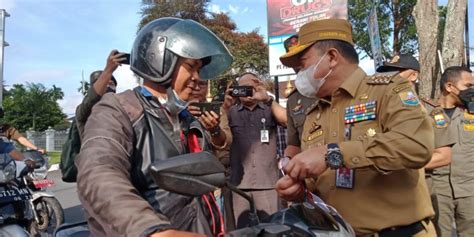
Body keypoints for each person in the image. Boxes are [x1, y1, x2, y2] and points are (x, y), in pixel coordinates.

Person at [276, 19, 436, 236]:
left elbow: (416, 145)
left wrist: (332, 153)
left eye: (302, 64)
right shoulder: (313, 114)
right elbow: (319, 181)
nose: (299, 75)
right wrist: (300, 190)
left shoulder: (388, 90)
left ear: (331, 57)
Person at [75, 17, 233, 237]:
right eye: (190, 67)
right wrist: (153, 231)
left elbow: (214, 166)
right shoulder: (118, 109)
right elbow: (98, 172)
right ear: (160, 60)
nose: (197, 78)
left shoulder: (187, 118)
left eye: (199, 70)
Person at [377, 55, 456, 233]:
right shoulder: (378, 111)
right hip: (388, 193)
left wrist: (401, 164)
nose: (390, 77)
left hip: (426, 189)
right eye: (387, 72)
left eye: (396, 72)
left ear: (413, 76)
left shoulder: (431, 111)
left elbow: (443, 156)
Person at [227, 72, 287, 228]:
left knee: (272, 228)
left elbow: (288, 121)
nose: (247, 91)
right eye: (243, 88)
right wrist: (224, 105)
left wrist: (267, 98)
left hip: (267, 182)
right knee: (242, 230)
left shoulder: (270, 109)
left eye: (251, 87)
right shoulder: (230, 112)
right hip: (239, 183)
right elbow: (219, 137)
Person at [433, 66, 474, 237]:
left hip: (469, 191)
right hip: (437, 190)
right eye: (468, 85)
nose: (472, 90)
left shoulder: (471, 114)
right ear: (449, 87)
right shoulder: (425, 113)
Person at [280, 34, 319, 160]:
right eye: (294, 63)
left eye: (302, 59)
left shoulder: (340, 88)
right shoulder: (293, 100)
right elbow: (294, 144)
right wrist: (287, 161)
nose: (298, 67)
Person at [75, 50, 123, 138]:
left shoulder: (121, 108)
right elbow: (92, 98)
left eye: (111, 84)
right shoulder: (83, 110)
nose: (108, 86)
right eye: (105, 83)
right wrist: (108, 70)